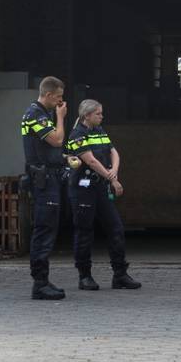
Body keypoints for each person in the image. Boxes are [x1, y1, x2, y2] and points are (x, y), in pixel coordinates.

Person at [64, 99, 141, 291]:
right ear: (87, 115)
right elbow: (90, 161)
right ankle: (84, 276)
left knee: (116, 228)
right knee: (84, 232)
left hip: (100, 188)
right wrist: (110, 177)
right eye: (98, 113)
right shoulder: (77, 135)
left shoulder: (100, 131)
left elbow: (114, 152)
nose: (101, 116)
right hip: (83, 190)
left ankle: (120, 275)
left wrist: (113, 173)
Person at [21, 76, 67, 300]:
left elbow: (53, 148)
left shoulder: (43, 114)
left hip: (50, 177)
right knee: (44, 229)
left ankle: (43, 280)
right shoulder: (35, 114)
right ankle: (39, 283)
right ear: (48, 95)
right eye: (58, 98)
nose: (60, 102)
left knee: (49, 229)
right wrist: (61, 117)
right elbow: (57, 139)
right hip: (43, 180)